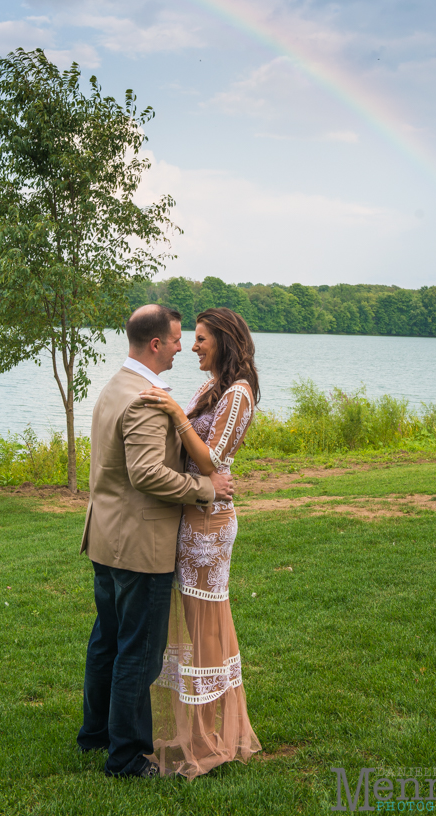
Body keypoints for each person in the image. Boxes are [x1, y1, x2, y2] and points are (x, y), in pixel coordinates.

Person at [77, 304, 234, 778]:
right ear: (155, 344)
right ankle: (125, 758)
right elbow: (147, 473)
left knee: (107, 641)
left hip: (106, 537)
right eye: (176, 339)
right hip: (140, 545)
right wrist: (205, 490)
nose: (183, 346)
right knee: (138, 654)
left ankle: (96, 736)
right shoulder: (145, 397)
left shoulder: (115, 386)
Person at [139, 307, 262, 779]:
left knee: (206, 629)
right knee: (197, 626)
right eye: (192, 338)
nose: (192, 346)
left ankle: (207, 741)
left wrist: (173, 411)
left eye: (202, 338)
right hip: (192, 517)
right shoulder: (212, 389)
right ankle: (200, 732)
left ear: (225, 339)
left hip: (209, 524)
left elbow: (213, 459)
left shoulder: (238, 394)